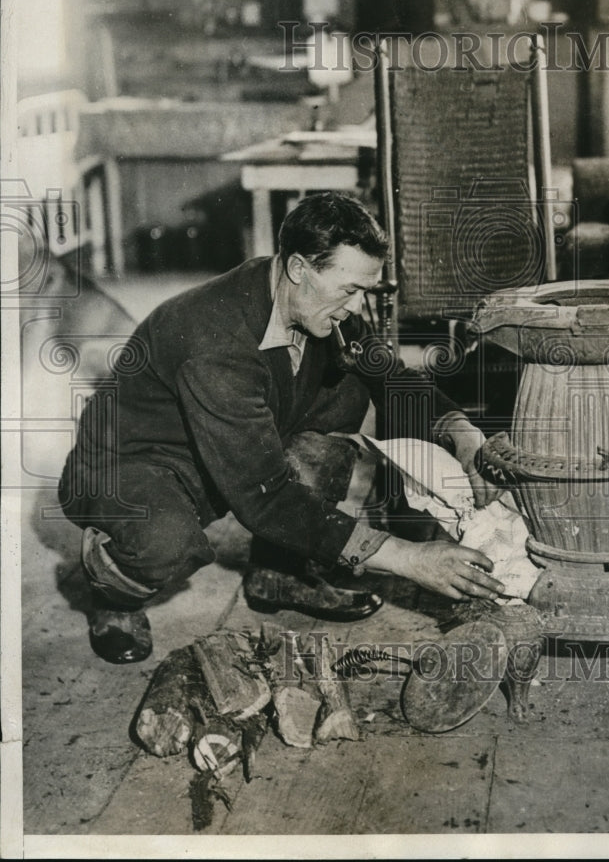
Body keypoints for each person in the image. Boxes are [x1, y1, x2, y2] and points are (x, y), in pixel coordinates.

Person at [59, 192, 505, 664]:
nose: (356, 308)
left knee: (348, 384)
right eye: (349, 289)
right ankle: (112, 590)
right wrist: (408, 559)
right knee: (165, 542)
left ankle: (280, 571)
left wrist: (462, 432)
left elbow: (390, 376)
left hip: (223, 443)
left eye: (364, 293)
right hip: (133, 462)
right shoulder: (216, 339)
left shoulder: (315, 304)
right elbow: (265, 495)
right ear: (298, 268)